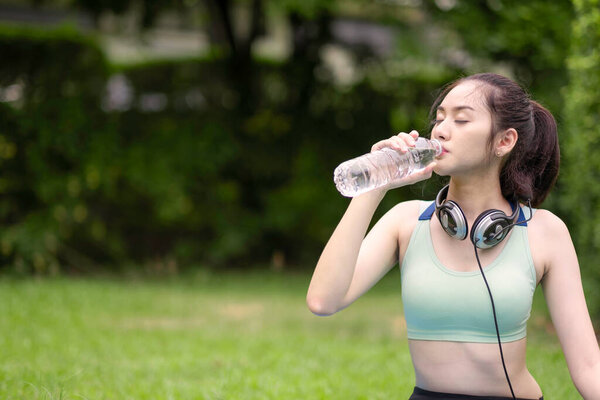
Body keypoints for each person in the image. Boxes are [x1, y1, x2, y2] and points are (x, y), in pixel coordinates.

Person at [306, 73, 600, 399]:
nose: (441, 130)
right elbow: (323, 301)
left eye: (461, 120)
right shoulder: (406, 222)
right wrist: (374, 183)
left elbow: (589, 366)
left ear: (504, 141)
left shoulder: (545, 231)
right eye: (440, 118)